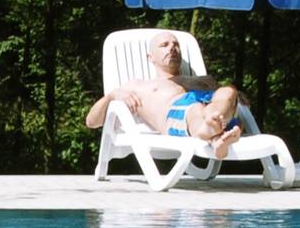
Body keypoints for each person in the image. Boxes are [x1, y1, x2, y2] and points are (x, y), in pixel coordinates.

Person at [84, 30, 245, 152]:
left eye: (176, 45)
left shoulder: (202, 80)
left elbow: (234, 101)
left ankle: (216, 136)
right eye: (164, 45)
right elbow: (92, 122)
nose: (172, 48)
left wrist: (232, 96)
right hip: (180, 112)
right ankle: (211, 132)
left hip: (214, 111)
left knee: (228, 90)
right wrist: (112, 96)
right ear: (150, 57)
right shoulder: (137, 86)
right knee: (195, 109)